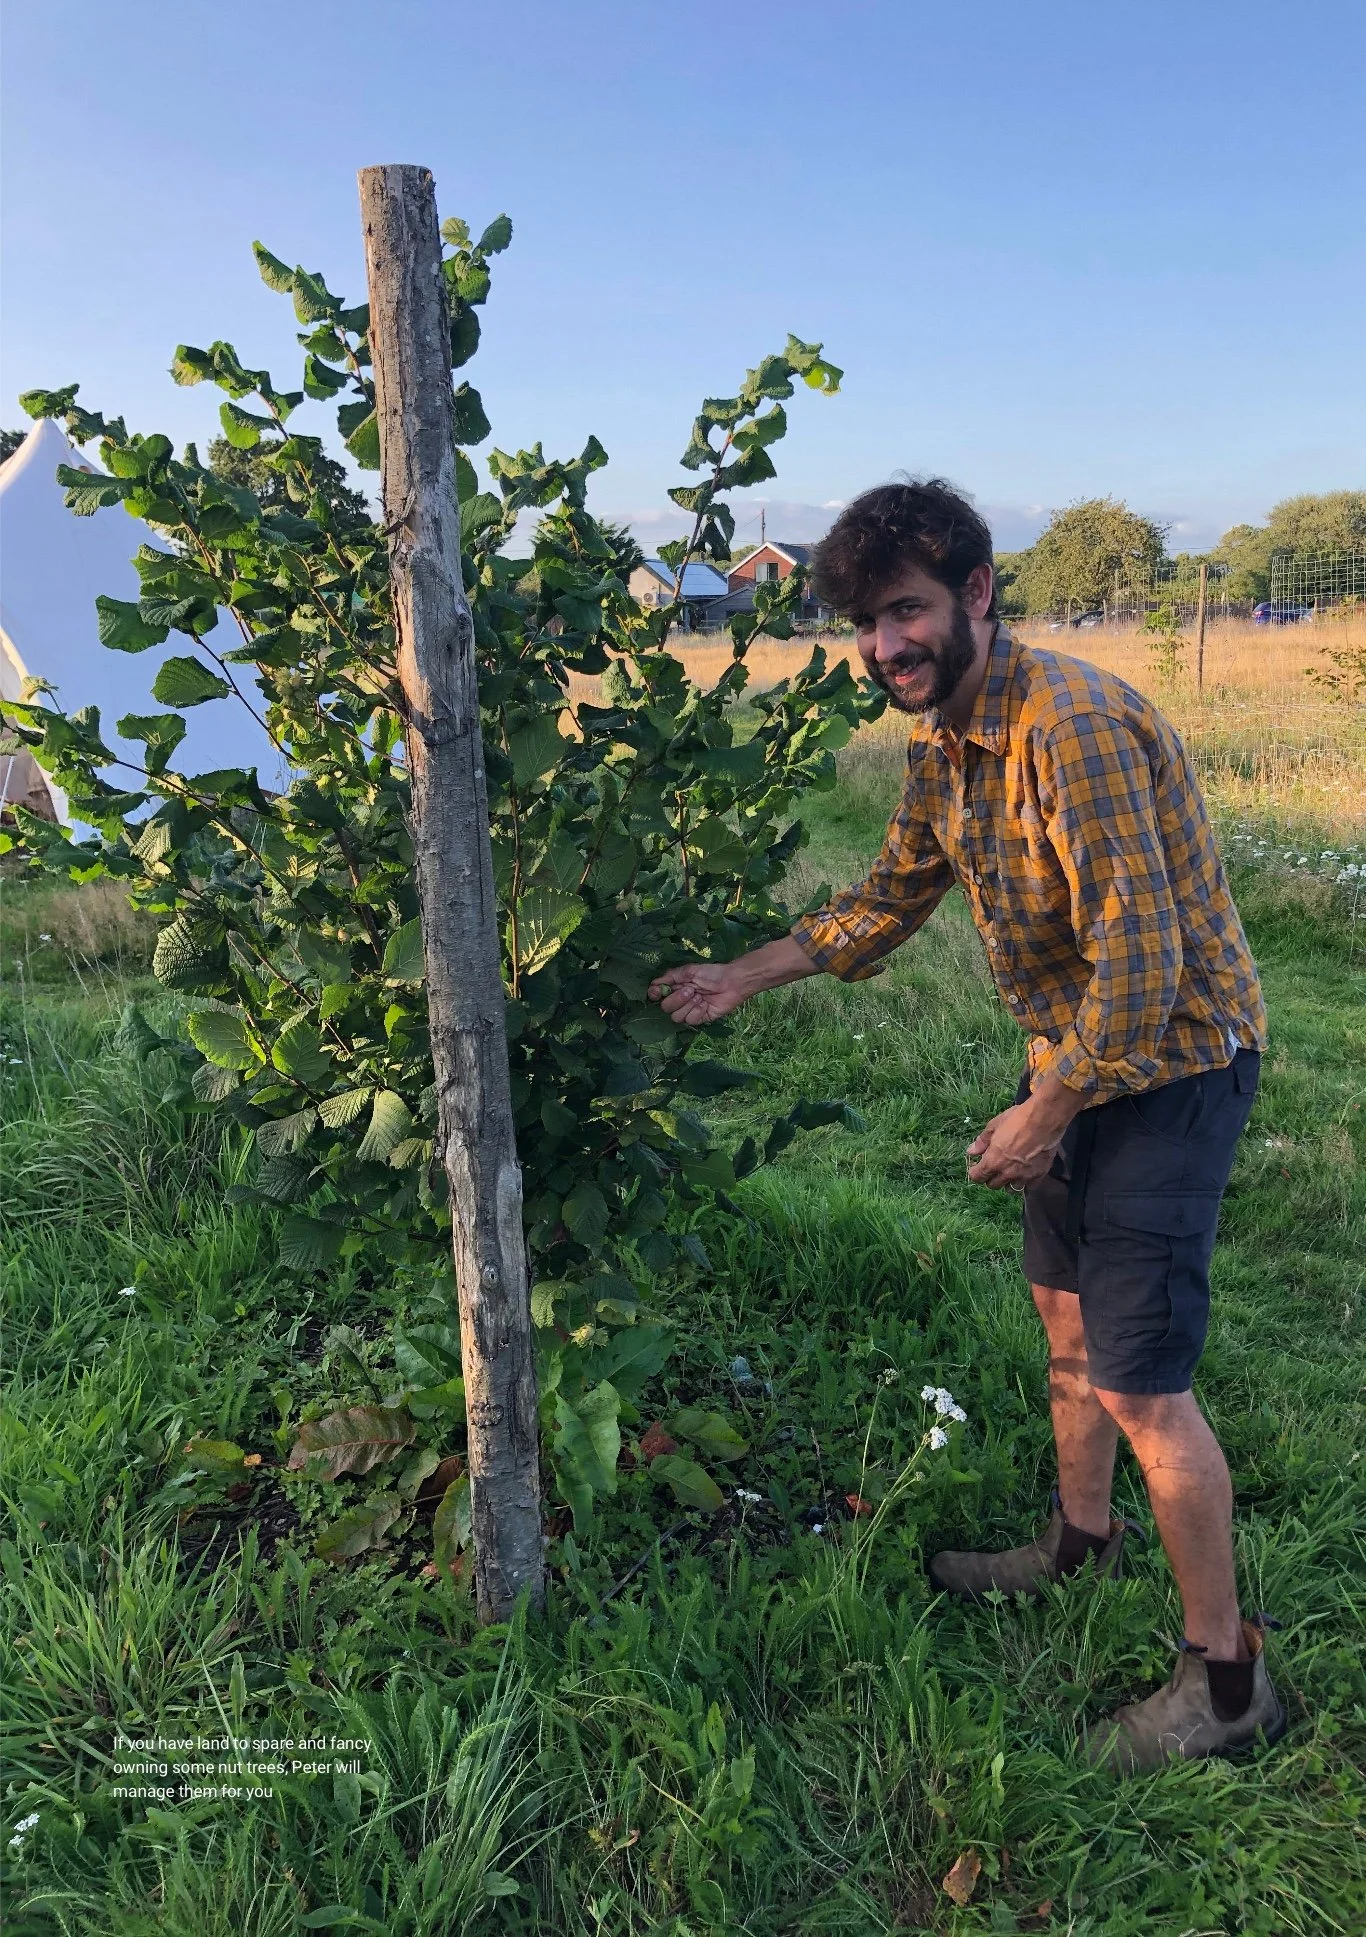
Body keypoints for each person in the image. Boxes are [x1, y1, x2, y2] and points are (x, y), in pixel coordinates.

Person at [647, 480, 1285, 1773]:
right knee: (1062, 1314)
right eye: (865, 624)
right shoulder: (945, 740)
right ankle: (1078, 1538)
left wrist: (1044, 1112)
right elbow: (888, 895)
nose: (883, 647)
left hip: (1167, 1069)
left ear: (976, 595)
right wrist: (743, 975)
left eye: (905, 613)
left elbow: (1147, 967)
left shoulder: (1076, 731)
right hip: (1076, 1059)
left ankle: (1224, 1684)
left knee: (1139, 1380)